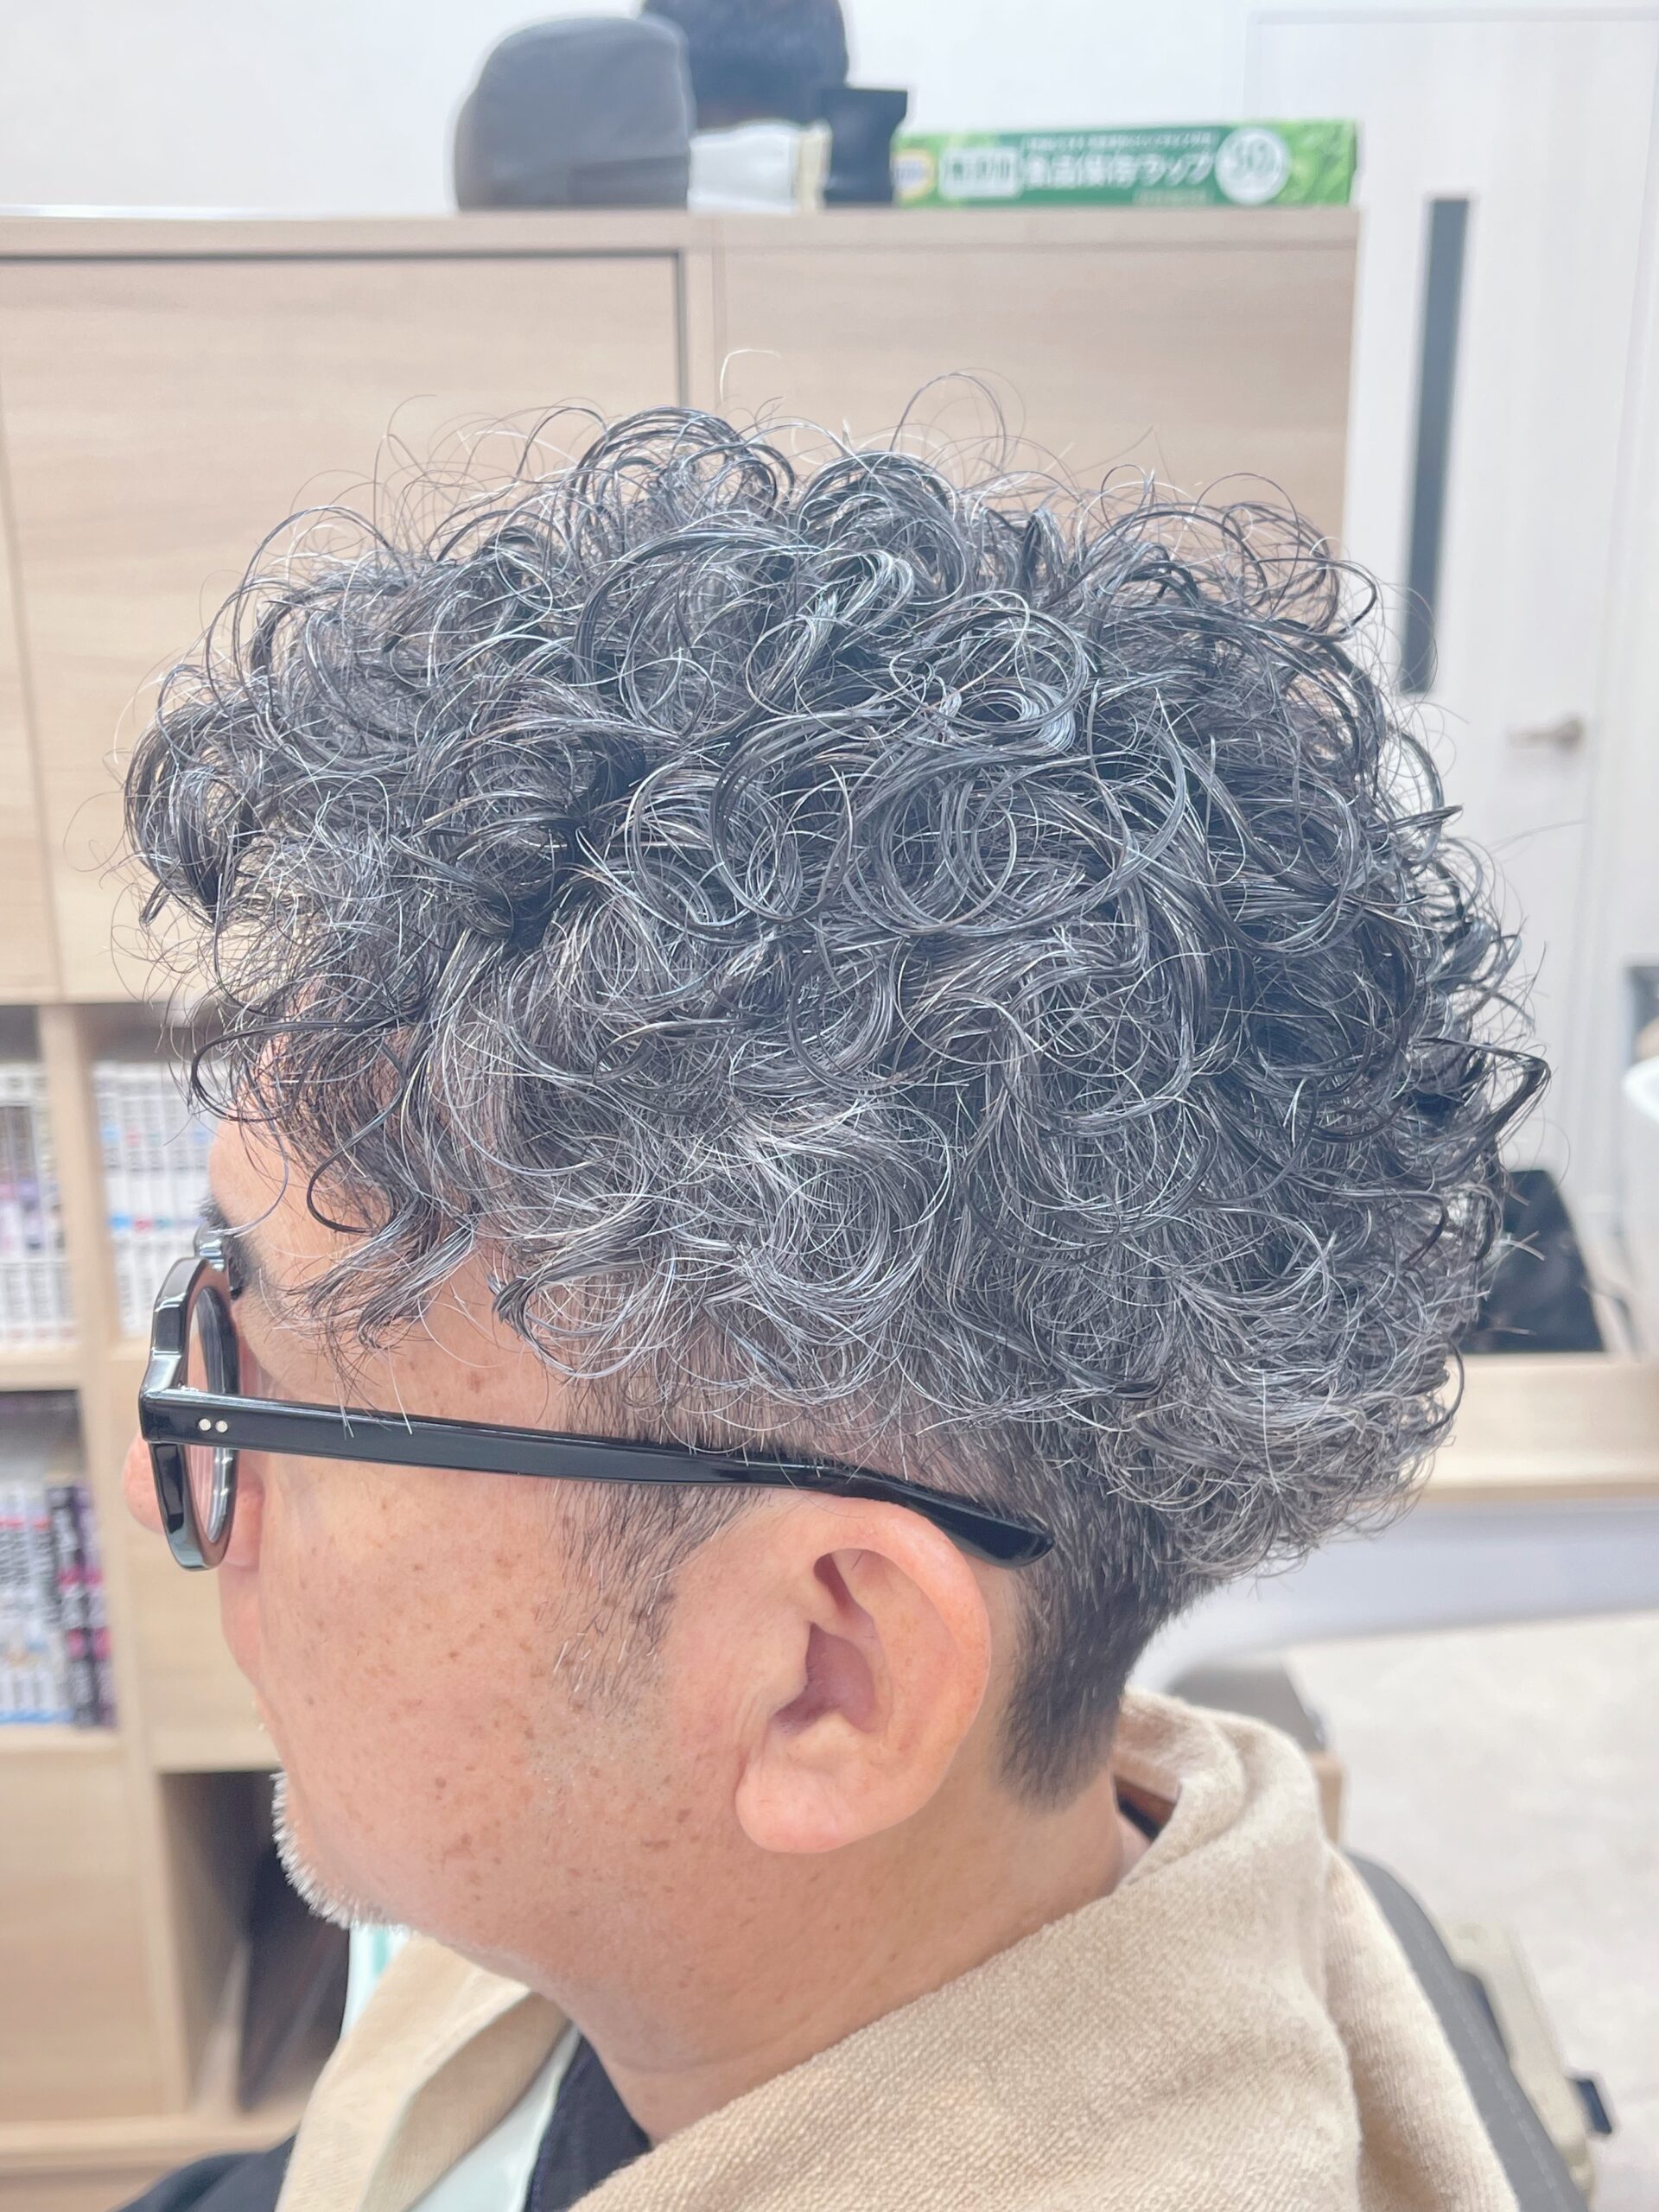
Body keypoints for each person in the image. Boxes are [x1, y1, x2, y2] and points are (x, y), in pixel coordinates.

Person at [120, 408, 1535, 2211]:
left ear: (823, 1677)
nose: (169, 1485)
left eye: (252, 1394)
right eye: (210, 1319)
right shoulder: (659, 1942)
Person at [640, 0, 848, 129]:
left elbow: (832, 90)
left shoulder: (818, 10)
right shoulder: (673, 7)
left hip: (793, 157)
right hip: (688, 151)